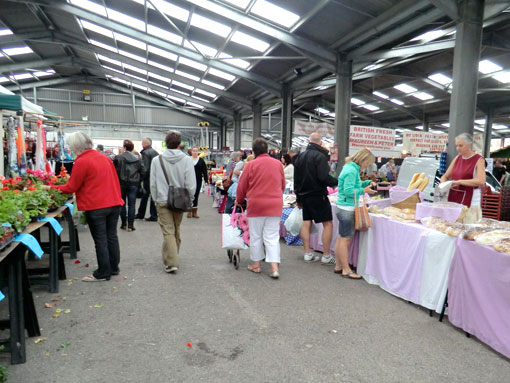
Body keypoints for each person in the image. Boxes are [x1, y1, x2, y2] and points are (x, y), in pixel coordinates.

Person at [46, 132, 124, 282]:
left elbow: (71, 187)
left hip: (97, 205)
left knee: (100, 239)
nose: (70, 149)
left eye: (71, 146)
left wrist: (50, 188)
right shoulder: (104, 158)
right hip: (114, 203)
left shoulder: (82, 161)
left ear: (76, 146)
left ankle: (103, 272)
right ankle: (113, 268)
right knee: (111, 236)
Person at [236, 138, 285, 278]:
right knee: (272, 237)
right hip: (274, 205)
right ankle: (274, 268)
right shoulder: (278, 164)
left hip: (256, 205)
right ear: (267, 150)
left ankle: (256, 265)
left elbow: (242, 186)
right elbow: (282, 185)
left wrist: (239, 200)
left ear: (254, 151)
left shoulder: (250, 165)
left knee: (256, 236)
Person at [150, 131, 196, 273]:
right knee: (176, 229)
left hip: (162, 200)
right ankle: (172, 257)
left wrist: (155, 198)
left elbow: (153, 183)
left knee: (168, 231)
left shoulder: (157, 160)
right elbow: (191, 183)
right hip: (180, 200)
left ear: (166, 143)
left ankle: (171, 262)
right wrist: (191, 199)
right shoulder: (187, 160)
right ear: (179, 144)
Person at [294, 132, 338, 265]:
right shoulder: (320, 156)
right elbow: (323, 177)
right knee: (328, 223)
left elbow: (296, 180)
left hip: (303, 195)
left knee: (306, 222)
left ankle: (307, 253)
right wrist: (336, 181)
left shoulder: (300, 157)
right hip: (318, 195)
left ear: (309, 141)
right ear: (320, 143)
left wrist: (298, 198)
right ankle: (326, 255)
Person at [334, 149, 377, 279]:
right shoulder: (352, 170)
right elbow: (348, 191)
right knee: (345, 239)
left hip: (343, 207)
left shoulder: (350, 167)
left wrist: (366, 183)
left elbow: (353, 185)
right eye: (368, 163)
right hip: (347, 208)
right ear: (363, 160)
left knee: (341, 237)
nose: (368, 165)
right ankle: (346, 269)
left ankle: (339, 265)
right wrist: (364, 189)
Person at [440, 132, 486, 223]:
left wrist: (460, 182)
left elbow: (481, 180)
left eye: (461, 145)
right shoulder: (457, 158)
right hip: (454, 198)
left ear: (469, 145)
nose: (458, 148)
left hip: (471, 201)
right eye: (457, 145)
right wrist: (444, 183)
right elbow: (445, 176)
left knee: (467, 229)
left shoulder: (479, 159)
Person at [113, 140, 145, 232]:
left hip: (121, 183)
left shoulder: (118, 158)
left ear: (125, 147)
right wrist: (139, 180)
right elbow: (143, 171)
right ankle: (131, 225)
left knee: (122, 204)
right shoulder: (138, 158)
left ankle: (123, 223)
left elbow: (114, 171)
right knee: (132, 204)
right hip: (134, 183)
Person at [136, 138, 159, 221]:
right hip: (155, 176)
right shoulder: (155, 152)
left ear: (145, 144)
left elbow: (145, 168)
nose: (142, 144)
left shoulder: (145, 153)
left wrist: (141, 178)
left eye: (142, 143)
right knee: (153, 196)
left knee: (145, 196)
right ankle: (153, 214)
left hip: (148, 178)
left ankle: (141, 214)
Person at [189, 146, 208, 218]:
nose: (195, 152)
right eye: (193, 151)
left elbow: (205, 171)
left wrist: (206, 180)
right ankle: (189, 210)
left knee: (196, 195)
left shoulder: (201, 160)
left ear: (198, 152)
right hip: (189, 180)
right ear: (191, 152)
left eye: (196, 151)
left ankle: (194, 212)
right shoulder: (188, 160)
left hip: (198, 180)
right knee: (189, 194)